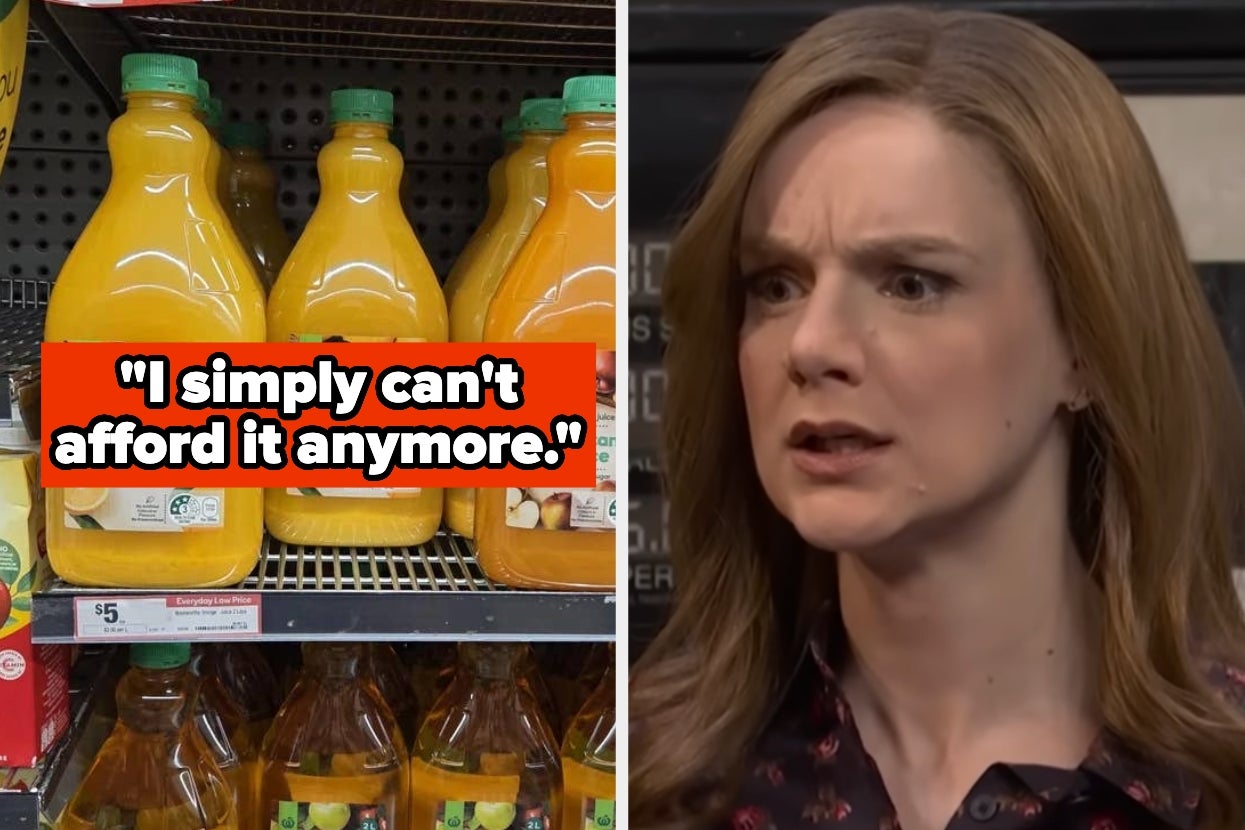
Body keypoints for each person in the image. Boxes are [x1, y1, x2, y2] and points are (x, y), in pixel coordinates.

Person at [629, 5, 1245, 830]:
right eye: (775, 285)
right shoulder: (644, 776)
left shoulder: (1218, 783)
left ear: (1086, 344)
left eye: (910, 283)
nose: (811, 345)